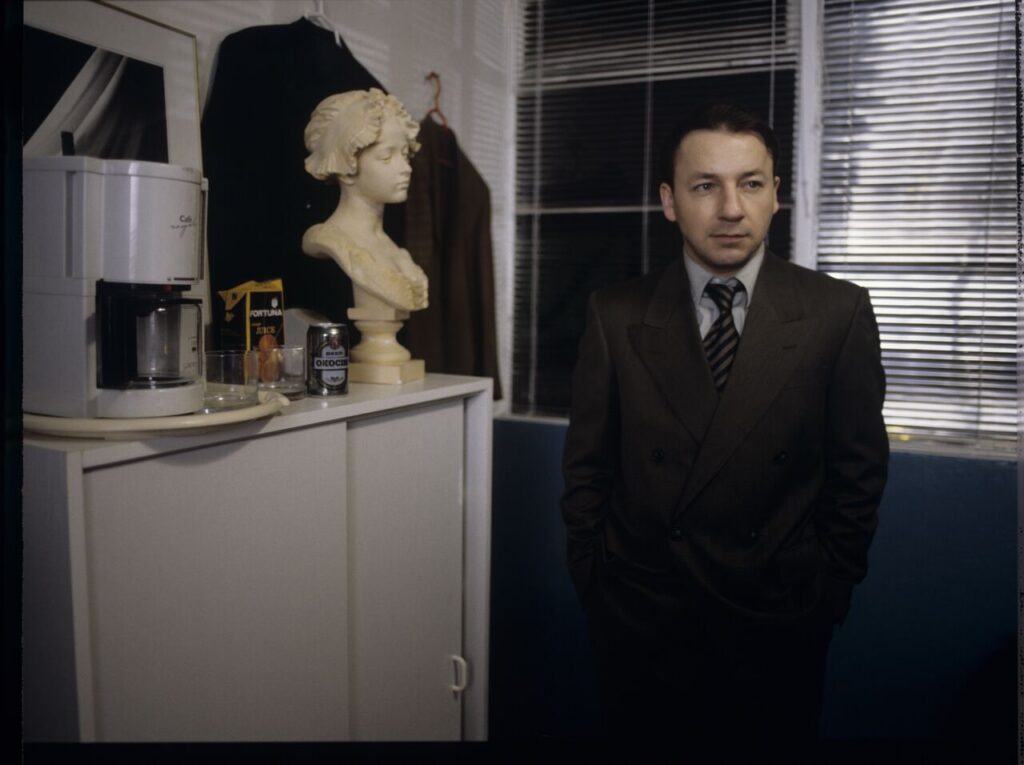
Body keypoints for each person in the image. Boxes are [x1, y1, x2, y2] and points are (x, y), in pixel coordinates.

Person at [561, 103, 889, 751]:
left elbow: (859, 474)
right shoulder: (615, 313)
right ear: (670, 201)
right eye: (705, 185)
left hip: (777, 619)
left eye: (751, 183)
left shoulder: (836, 312)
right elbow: (586, 471)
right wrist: (600, 585)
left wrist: (823, 594)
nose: (731, 208)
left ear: (776, 196)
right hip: (646, 619)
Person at [302, 88, 428, 314]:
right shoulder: (330, 240)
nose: (406, 168)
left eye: (405, 154)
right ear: (346, 168)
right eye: (387, 157)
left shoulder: (391, 248)